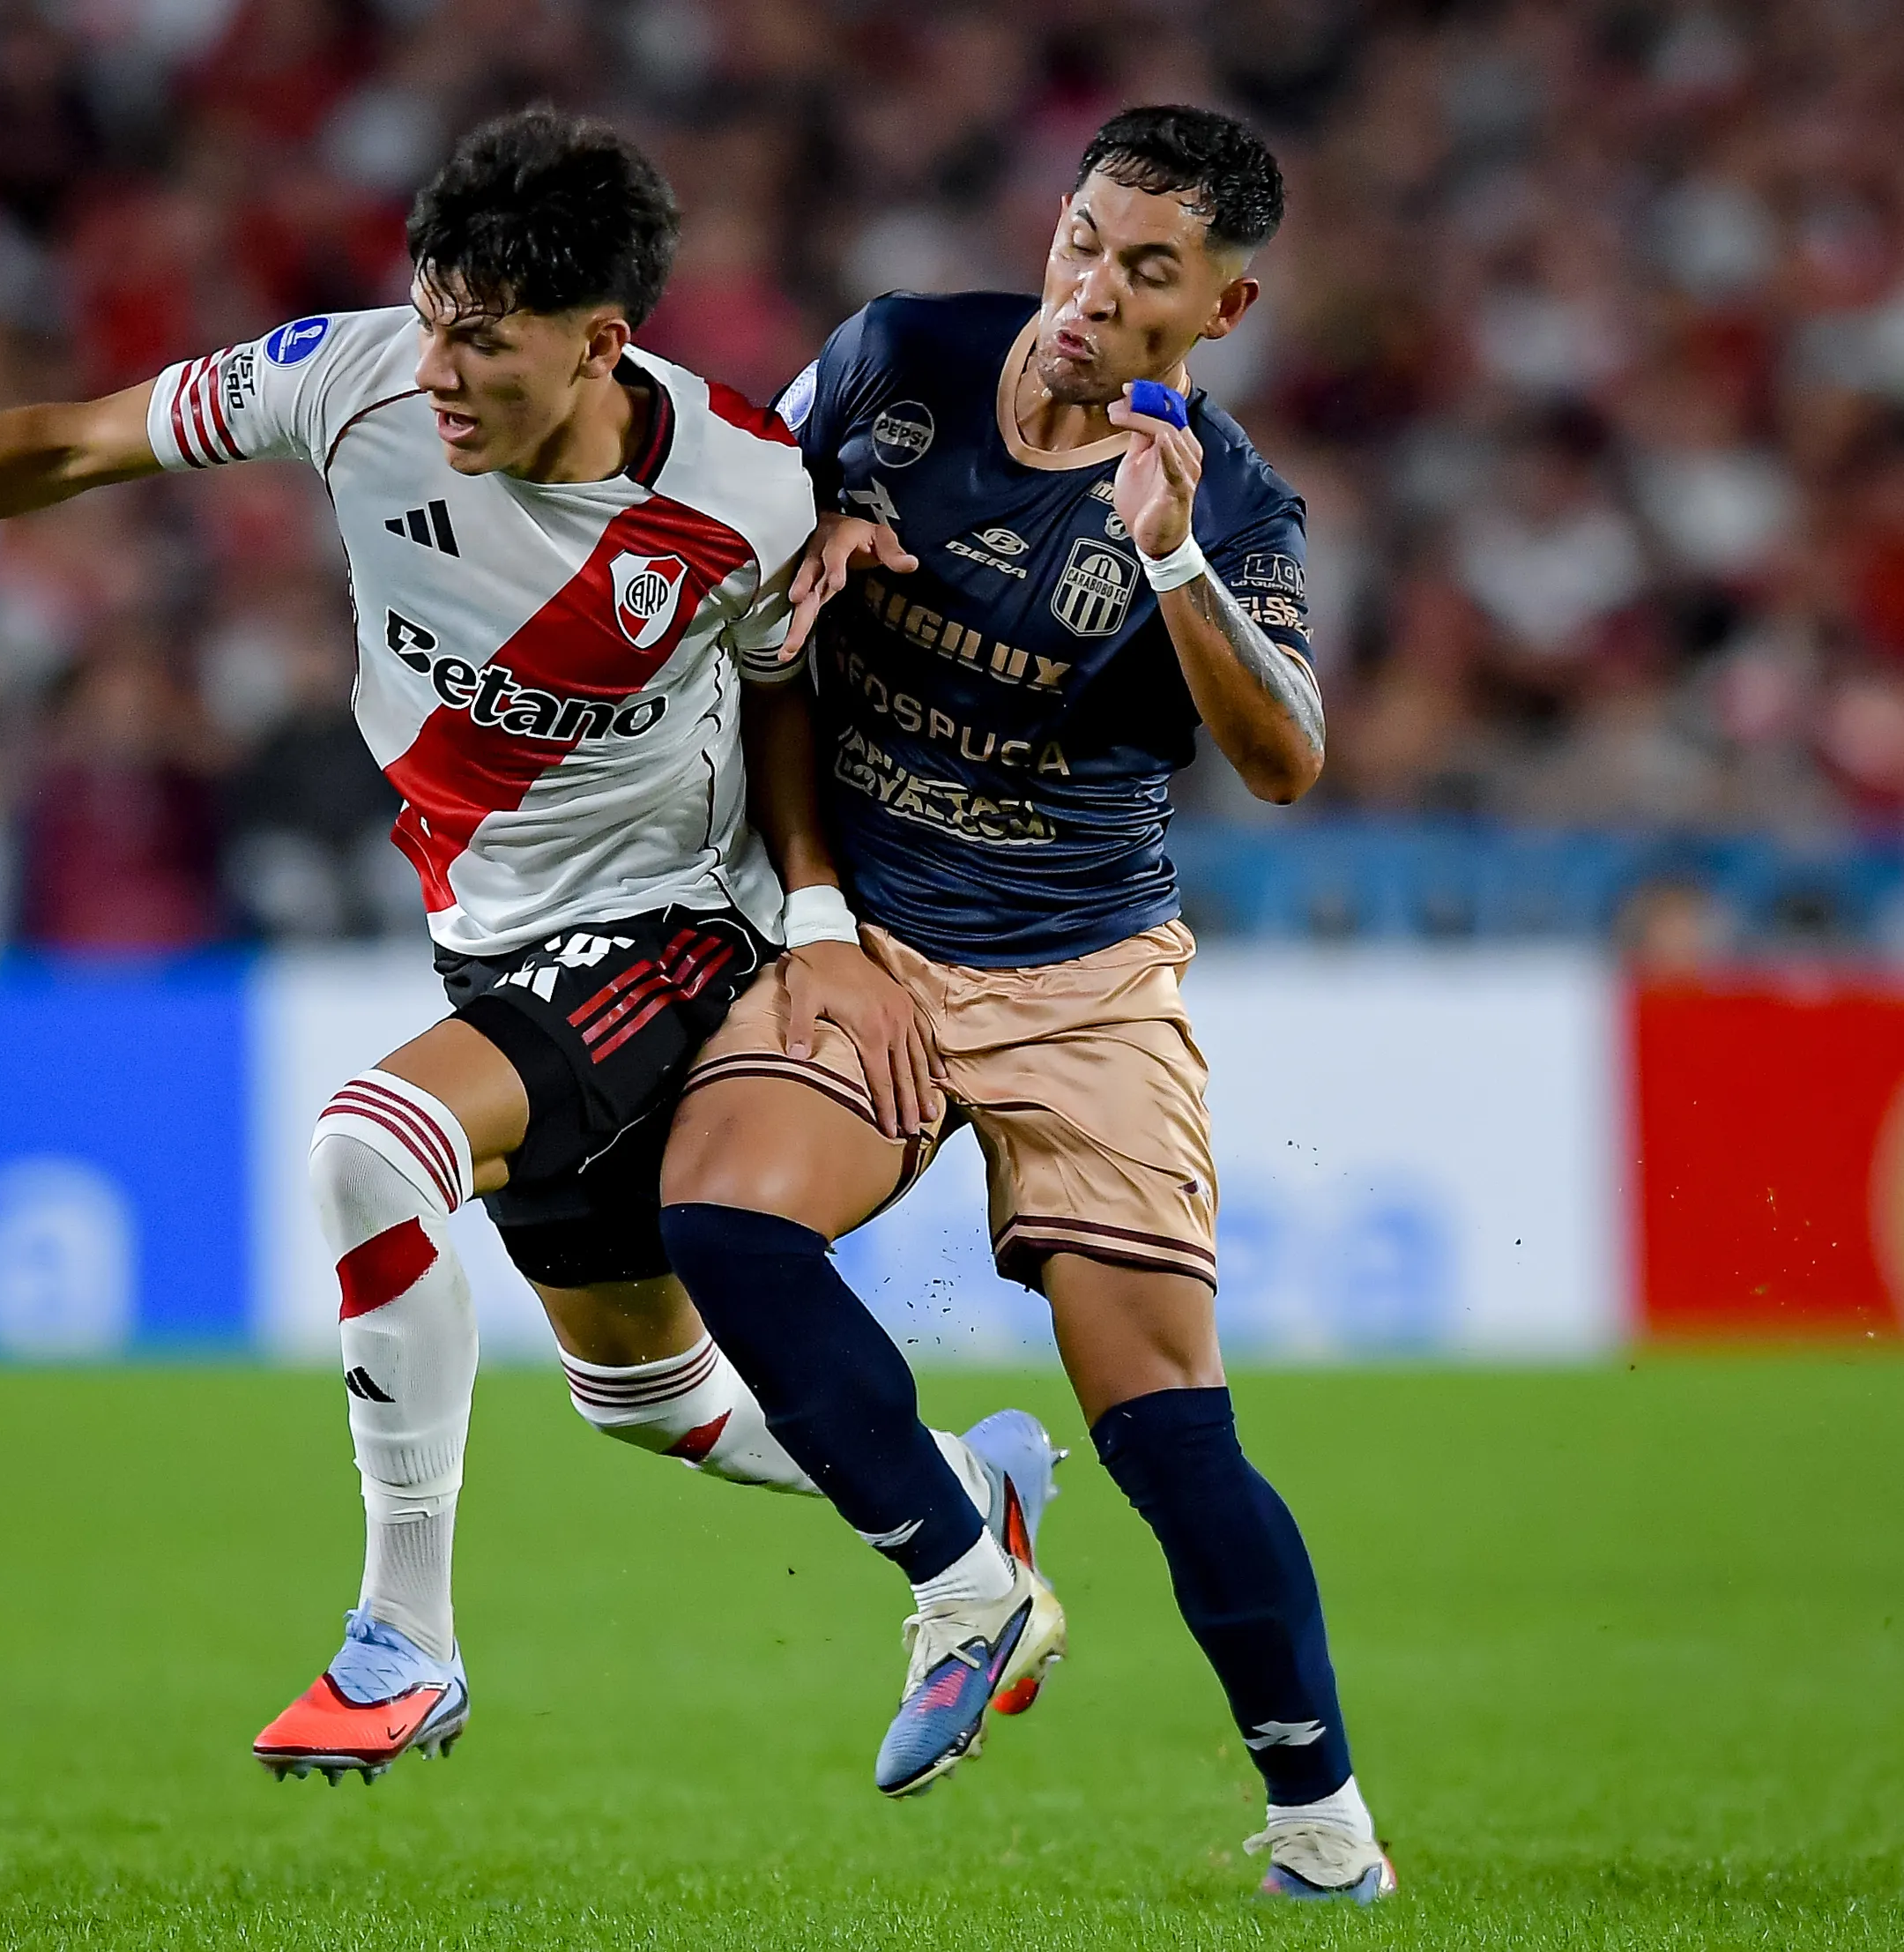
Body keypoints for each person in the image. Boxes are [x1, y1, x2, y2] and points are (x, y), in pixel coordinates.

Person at [0, 107, 1046, 1784]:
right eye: (432, 315)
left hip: (672, 928)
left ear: (602, 340)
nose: (439, 368)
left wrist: (812, 917)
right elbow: (79, 441)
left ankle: (409, 1639)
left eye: (485, 342)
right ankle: (969, 1483)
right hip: (490, 941)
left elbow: (789, 684)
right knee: (654, 1404)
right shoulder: (348, 375)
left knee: (371, 1148)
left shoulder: (740, 489)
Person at [656, 106, 1395, 1903]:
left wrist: (1168, 557)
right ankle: (960, 1562)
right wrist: (814, 902)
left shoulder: (1231, 502)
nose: (1089, 289)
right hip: (873, 939)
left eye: (1147, 271)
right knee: (721, 1218)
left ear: (1219, 310)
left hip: (1084, 981)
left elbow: (1287, 758)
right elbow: (770, 624)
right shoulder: (901, 359)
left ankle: (1321, 1831)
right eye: (1082, 240)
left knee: (1161, 1428)